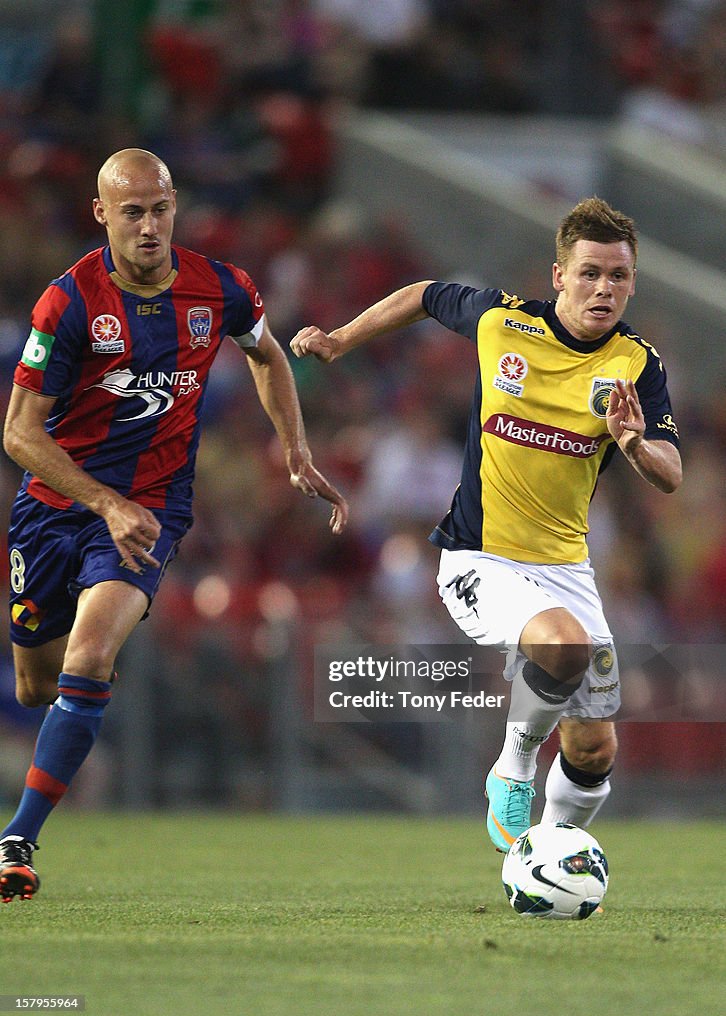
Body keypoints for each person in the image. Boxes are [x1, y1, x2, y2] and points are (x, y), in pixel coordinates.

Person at [0, 149, 348, 902]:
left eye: (160, 208)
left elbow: (267, 355)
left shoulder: (220, 287)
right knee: (36, 684)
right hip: (56, 511)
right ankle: (71, 699)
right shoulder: (67, 305)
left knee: (89, 659)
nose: (150, 225)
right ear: (102, 215)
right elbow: (20, 434)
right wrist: (101, 500)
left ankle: (17, 840)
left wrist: (295, 449)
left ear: (175, 206)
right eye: (133, 212)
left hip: (152, 509)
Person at [291, 197, 681, 852]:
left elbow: (670, 472)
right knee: (562, 646)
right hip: (479, 560)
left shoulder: (637, 365)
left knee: (592, 748)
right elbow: (423, 295)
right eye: (589, 273)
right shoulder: (504, 323)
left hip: (566, 570)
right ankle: (514, 763)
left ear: (632, 281)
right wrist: (340, 339)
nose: (604, 288)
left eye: (618, 276)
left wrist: (636, 444)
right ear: (559, 276)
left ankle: (546, 856)